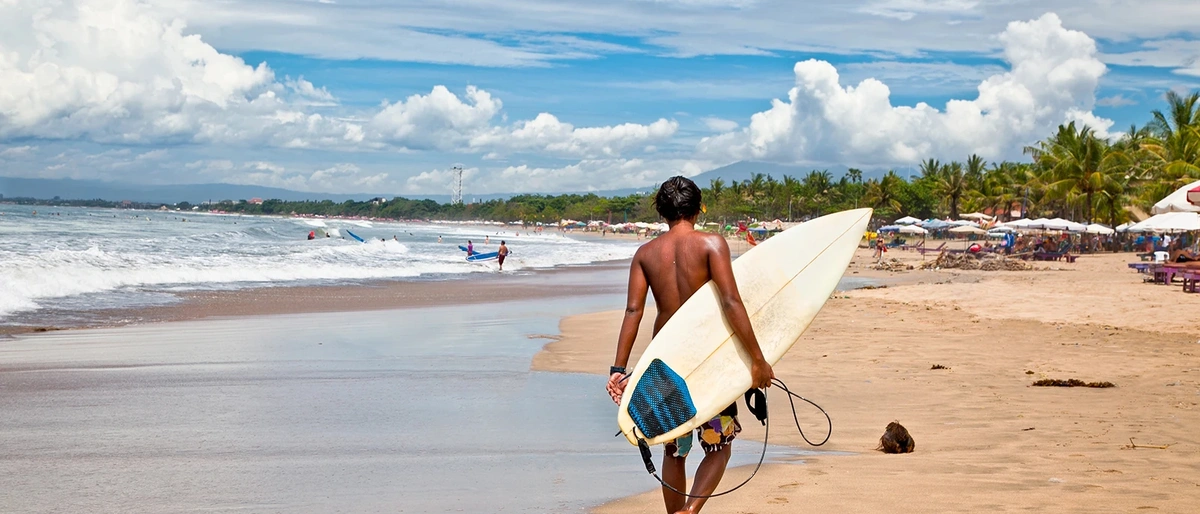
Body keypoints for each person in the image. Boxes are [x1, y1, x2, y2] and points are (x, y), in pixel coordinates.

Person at [606, 176, 773, 514]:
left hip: (665, 362)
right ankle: (690, 511)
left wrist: (618, 369)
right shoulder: (712, 244)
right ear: (698, 209)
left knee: (674, 449)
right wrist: (758, 359)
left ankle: (675, 513)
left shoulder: (645, 253)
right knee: (718, 444)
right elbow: (730, 301)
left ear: (661, 212)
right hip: (708, 360)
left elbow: (633, 311)